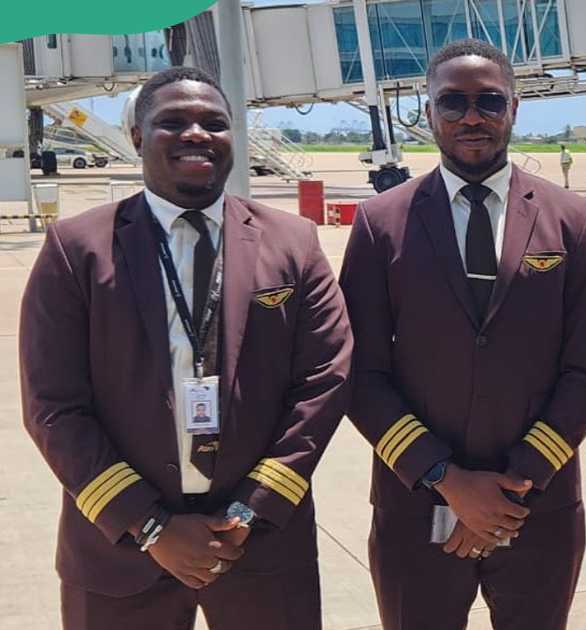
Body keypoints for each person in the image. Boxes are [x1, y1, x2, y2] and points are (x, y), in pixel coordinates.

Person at [20, 66, 353, 630]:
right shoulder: (77, 249)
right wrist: (149, 525)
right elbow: (52, 405)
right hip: (118, 550)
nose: (196, 134)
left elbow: (324, 381)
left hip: (260, 544)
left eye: (213, 123)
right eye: (172, 122)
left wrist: (251, 509)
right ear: (136, 138)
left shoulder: (292, 242)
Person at [340, 39, 586, 630]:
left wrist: (514, 486)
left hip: (537, 507)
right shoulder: (381, 222)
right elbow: (361, 373)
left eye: (489, 101)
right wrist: (447, 479)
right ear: (428, 110)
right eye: (452, 103)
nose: (471, 117)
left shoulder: (573, 219)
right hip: (416, 503)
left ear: (514, 108)